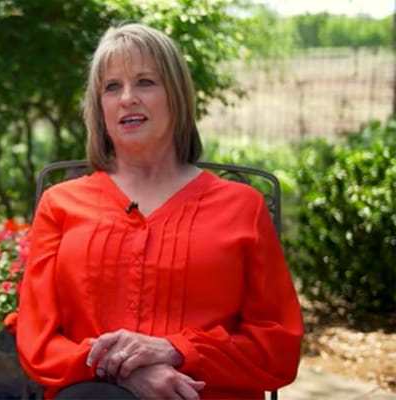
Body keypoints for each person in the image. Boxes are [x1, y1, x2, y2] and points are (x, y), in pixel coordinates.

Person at [15, 23, 303, 399]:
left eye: (146, 82)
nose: (127, 98)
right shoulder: (61, 205)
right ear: (99, 107)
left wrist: (176, 351)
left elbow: (278, 348)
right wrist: (123, 373)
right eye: (112, 87)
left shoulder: (241, 207)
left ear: (177, 96)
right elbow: (37, 342)